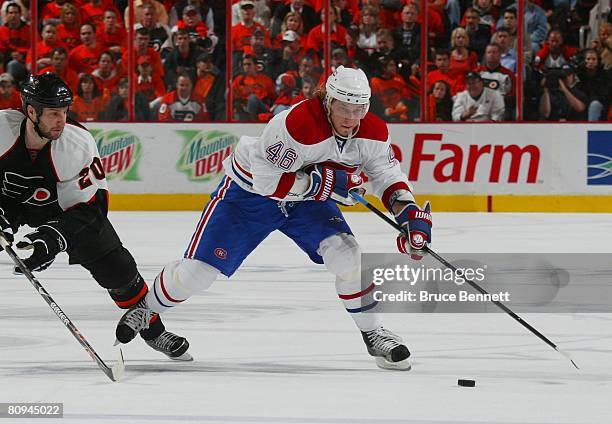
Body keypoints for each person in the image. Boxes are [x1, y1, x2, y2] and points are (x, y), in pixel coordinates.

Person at [113, 66, 433, 371]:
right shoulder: (297, 123)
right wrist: (322, 185)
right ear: (327, 101)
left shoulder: (374, 131)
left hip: (306, 201)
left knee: (349, 256)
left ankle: (373, 333)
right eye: (343, 107)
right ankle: (147, 310)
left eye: (358, 108)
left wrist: (408, 213)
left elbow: (386, 174)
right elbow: (268, 183)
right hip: (250, 194)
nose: (351, 117)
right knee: (197, 274)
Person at [0, 73, 191, 360]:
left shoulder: (76, 144)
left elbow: (91, 212)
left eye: (64, 112)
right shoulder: (2, 129)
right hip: (9, 201)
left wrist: (53, 240)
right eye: (53, 113)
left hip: (65, 211)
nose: (61, 120)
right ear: (30, 111)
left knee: (118, 268)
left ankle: (153, 331)